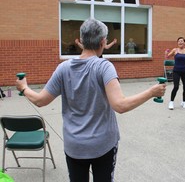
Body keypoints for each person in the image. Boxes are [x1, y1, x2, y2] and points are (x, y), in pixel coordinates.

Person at [16, 18, 166, 182]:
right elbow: (120, 105)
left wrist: (24, 87)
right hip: (103, 145)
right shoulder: (104, 66)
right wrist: (152, 91)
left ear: (81, 41)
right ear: (103, 42)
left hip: (75, 146)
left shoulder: (63, 68)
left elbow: (40, 100)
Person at [165, 37, 185, 110]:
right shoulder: (175, 50)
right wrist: (166, 53)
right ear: (177, 43)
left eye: (182, 41)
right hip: (176, 71)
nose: (180, 42)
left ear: (184, 43)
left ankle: (184, 102)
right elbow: (167, 57)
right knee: (176, 87)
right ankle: (171, 102)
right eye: (179, 41)